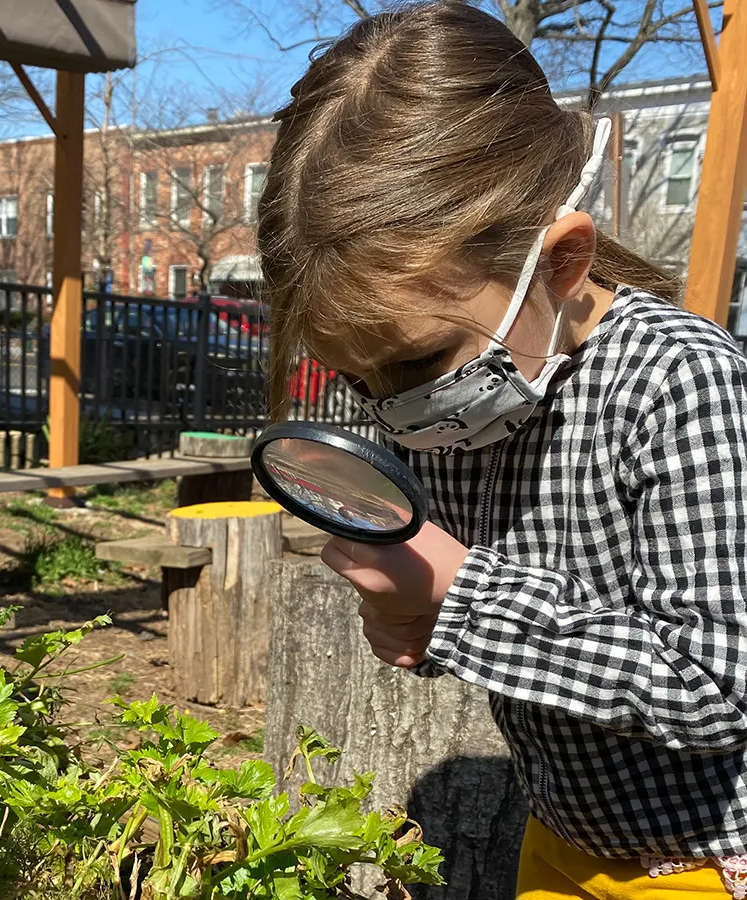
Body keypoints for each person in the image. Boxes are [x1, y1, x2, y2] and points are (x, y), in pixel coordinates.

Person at [257, 4, 747, 899]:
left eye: (416, 364)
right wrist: (422, 620)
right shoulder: (462, 396)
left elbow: (718, 683)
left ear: (560, 261)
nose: (397, 411)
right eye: (360, 381)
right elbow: (542, 626)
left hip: (703, 864)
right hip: (560, 837)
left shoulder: (680, 382)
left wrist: (464, 595)